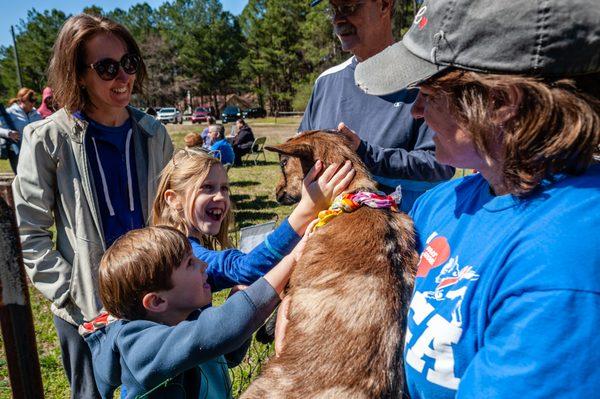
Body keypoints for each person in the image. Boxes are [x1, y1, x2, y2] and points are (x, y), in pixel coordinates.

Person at [354, 0, 600, 397]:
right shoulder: (445, 201)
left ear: (500, 103)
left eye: (429, 93)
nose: (415, 111)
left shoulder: (564, 266)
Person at [11, 14, 173, 399]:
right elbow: (29, 232)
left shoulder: (154, 133)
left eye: (129, 63)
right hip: (84, 307)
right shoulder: (46, 139)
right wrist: (69, 292)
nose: (123, 77)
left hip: (152, 295)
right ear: (78, 74)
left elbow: (172, 214)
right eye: (107, 68)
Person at [84, 225, 311, 398]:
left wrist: (242, 311)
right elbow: (213, 333)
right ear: (157, 301)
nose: (204, 266)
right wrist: (292, 260)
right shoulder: (140, 348)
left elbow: (221, 355)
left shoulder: (183, 319)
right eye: (190, 264)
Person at [300, 0, 454, 212]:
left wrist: (365, 154)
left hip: (396, 236)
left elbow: (440, 167)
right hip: (325, 236)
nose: (338, 19)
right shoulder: (326, 82)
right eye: (332, 9)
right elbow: (301, 159)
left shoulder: (423, 79)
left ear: (384, 5)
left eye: (349, 7)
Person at [152, 148, 354, 290]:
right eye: (207, 188)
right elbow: (244, 268)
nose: (221, 197)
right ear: (174, 199)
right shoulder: (179, 252)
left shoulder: (180, 241)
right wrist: (304, 212)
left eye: (224, 188)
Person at [0, 88, 42, 173]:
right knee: (21, 178)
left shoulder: (36, 114)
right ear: (22, 100)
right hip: (18, 153)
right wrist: (9, 133)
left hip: (35, 152)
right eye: (30, 100)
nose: (33, 103)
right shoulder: (9, 113)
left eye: (34, 100)